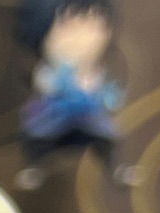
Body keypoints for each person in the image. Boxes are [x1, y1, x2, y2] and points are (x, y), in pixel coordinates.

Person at [15, 0, 132, 190]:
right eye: (70, 27)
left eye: (94, 27)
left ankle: (116, 169)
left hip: (87, 116)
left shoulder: (94, 71)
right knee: (37, 136)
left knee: (106, 135)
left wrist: (105, 95)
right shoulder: (49, 71)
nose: (82, 39)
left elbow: (106, 93)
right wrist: (63, 83)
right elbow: (46, 83)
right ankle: (34, 168)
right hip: (54, 115)